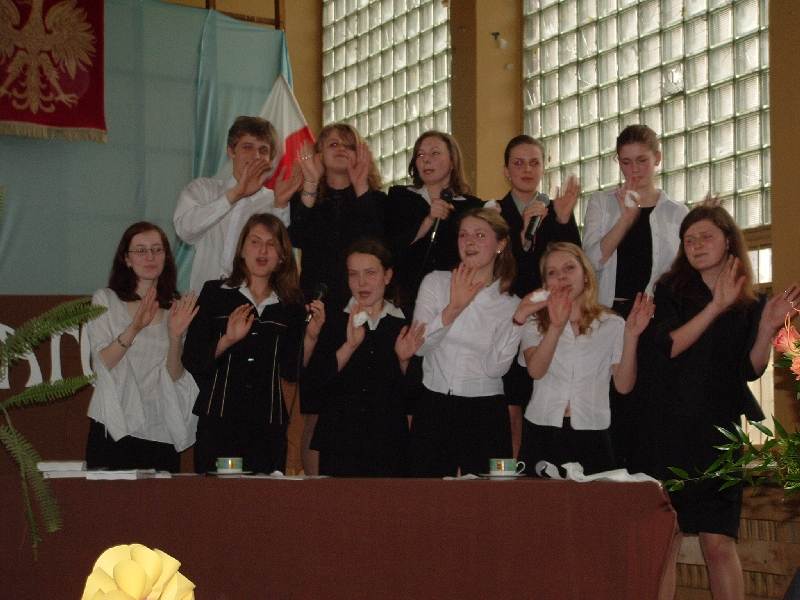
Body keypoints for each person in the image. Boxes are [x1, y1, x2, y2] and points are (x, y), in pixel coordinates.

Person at [637, 205, 799, 600]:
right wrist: (715, 307)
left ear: (728, 241)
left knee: (719, 542)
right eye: (688, 240)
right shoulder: (670, 290)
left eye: (705, 237)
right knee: (668, 539)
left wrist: (767, 327)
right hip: (669, 429)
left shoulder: (749, 303)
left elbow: (750, 369)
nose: (695, 245)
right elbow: (669, 346)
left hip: (719, 434)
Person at [582, 124, 688, 467]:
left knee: (652, 408)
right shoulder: (601, 204)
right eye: (626, 162)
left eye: (642, 161)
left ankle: (651, 482)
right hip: (609, 317)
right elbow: (589, 263)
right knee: (611, 407)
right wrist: (626, 220)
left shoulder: (677, 213)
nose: (634, 170)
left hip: (656, 319)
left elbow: (680, 274)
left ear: (658, 159)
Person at [182, 213, 320, 474]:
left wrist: (311, 337)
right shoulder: (215, 293)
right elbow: (192, 358)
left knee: (262, 498)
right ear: (242, 250)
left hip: (268, 427)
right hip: (220, 424)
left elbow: (290, 370)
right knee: (221, 495)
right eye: (255, 242)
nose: (262, 251)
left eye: (271, 244)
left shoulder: (291, 305)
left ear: (282, 257)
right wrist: (227, 340)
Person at [290, 122, 386, 474]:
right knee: (316, 412)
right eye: (332, 143)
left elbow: (379, 244)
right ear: (318, 154)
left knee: (362, 408)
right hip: (319, 315)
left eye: (348, 144)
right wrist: (310, 183)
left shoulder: (375, 200)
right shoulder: (309, 197)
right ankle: (315, 492)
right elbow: (296, 236)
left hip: (363, 314)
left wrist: (361, 187)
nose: (341, 149)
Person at [511, 242, 653, 476]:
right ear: (545, 284)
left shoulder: (612, 323)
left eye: (569, 268)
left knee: (593, 500)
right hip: (542, 427)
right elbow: (535, 370)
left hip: (593, 430)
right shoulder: (534, 322)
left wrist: (631, 336)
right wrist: (556, 327)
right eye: (552, 273)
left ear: (586, 275)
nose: (562, 277)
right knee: (537, 499)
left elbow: (624, 385)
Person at [409, 208, 522, 477]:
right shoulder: (435, 282)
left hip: (488, 410)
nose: (469, 241)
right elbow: (419, 347)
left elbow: (496, 369)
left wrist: (518, 322)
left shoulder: (512, 304)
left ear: (500, 244)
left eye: (480, 235)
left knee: (497, 487)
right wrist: (453, 309)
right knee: (423, 492)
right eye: (463, 235)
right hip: (433, 404)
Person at [492, 134, 582, 456]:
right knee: (510, 406)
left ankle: (543, 471)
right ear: (506, 171)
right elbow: (496, 272)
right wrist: (522, 238)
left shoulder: (555, 210)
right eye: (518, 163)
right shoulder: (494, 212)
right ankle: (511, 474)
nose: (526, 170)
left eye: (534, 163)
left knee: (545, 399)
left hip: (548, 321)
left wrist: (563, 219)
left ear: (544, 168)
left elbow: (574, 264)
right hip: (508, 319)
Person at [303, 239, 425, 476]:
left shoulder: (405, 322)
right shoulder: (331, 320)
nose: (362, 283)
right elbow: (314, 386)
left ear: (387, 276)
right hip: (340, 443)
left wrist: (404, 361)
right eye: (353, 274)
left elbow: (414, 397)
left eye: (370, 273)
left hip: (390, 444)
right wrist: (349, 347)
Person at [86, 222, 199, 473]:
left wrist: (175, 336)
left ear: (166, 258)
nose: (150, 257)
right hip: (114, 423)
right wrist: (135, 327)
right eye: (141, 250)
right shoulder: (106, 300)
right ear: (126, 259)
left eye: (157, 250)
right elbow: (101, 364)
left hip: (160, 428)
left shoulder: (176, 307)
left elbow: (174, 375)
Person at [174, 116, 302, 293]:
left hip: (253, 301)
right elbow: (185, 231)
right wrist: (234, 194)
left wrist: (280, 205)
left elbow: (282, 258)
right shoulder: (203, 189)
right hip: (204, 301)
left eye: (263, 150)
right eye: (247, 147)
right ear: (231, 151)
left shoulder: (276, 199)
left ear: (271, 160)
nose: (255, 156)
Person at [385, 130, 483, 312]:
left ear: (452, 161)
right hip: (406, 298)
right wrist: (428, 220)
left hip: (453, 298)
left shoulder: (472, 207)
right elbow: (390, 248)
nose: (426, 160)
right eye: (420, 155)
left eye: (435, 153)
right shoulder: (400, 197)